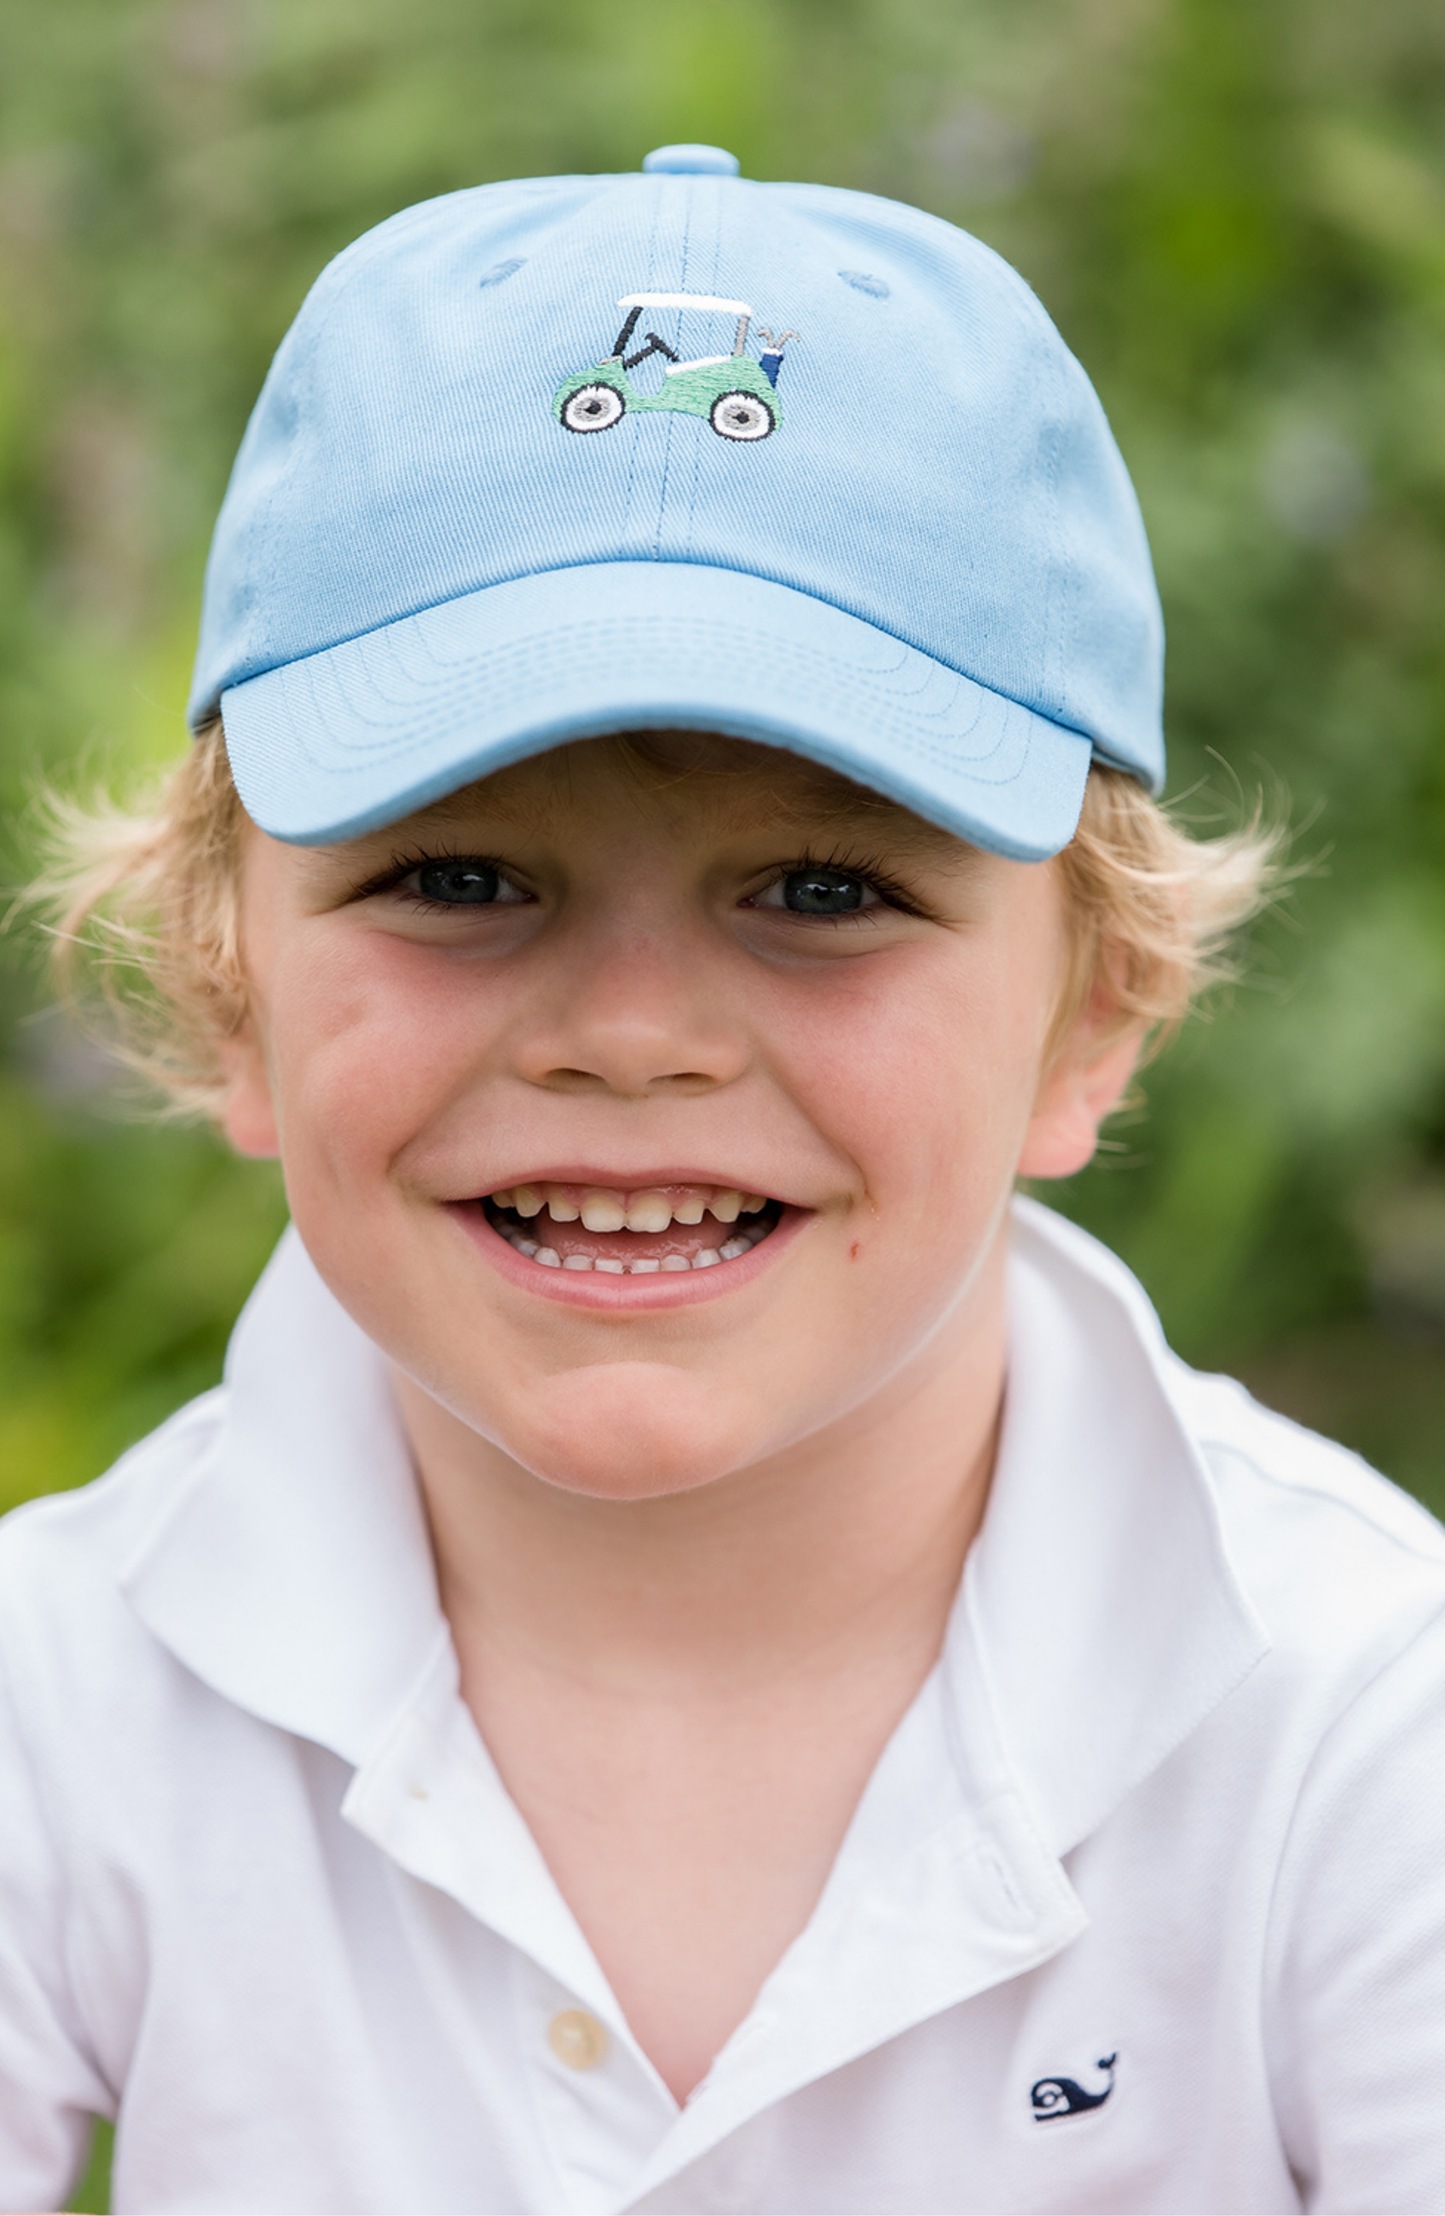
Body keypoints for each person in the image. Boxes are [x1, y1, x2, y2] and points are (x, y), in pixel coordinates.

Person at [3, 142, 1443, 2216]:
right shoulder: (60, 1703)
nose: (634, 1031)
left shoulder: (1359, 1728)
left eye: (823, 889)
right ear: (222, 989)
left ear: (1097, 1010)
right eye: (461, 876)